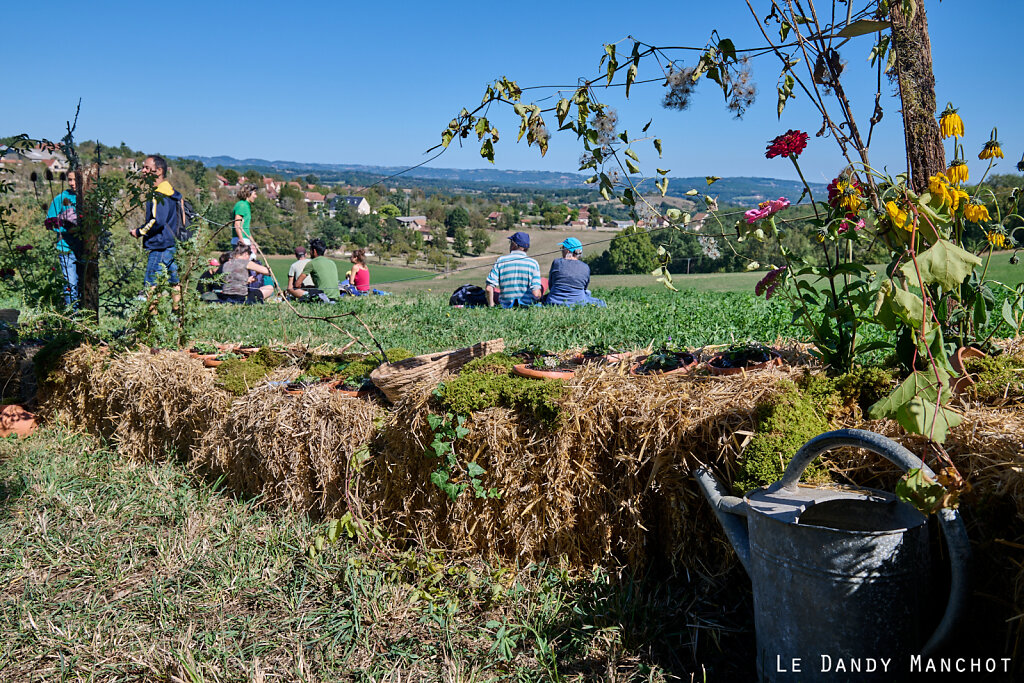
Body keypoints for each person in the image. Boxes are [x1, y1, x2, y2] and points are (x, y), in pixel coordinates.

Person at [130, 155, 181, 299]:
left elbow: (157, 221)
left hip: (159, 245)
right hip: (171, 243)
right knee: (175, 282)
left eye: (147, 167)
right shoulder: (171, 192)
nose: (143, 171)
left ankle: (150, 319)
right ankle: (179, 317)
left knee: (152, 283)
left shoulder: (159, 193)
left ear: (158, 171)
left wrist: (139, 232)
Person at [45, 170, 80, 308]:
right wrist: (66, 229)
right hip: (66, 248)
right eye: (70, 179)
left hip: (85, 248)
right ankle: (73, 316)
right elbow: (49, 222)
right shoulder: (60, 198)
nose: (72, 183)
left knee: (83, 284)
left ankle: (84, 316)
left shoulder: (87, 197)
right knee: (70, 284)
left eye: (75, 180)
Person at [485, 231, 541, 307]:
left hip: (505, 306)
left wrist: (491, 305)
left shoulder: (501, 260)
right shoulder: (533, 263)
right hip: (526, 306)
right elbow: (536, 293)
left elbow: (489, 288)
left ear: (514, 245)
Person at [544, 237, 605, 307]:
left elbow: (551, 285)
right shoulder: (585, 267)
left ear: (567, 251)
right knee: (593, 297)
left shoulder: (557, 263)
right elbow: (584, 287)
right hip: (578, 303)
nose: (561, 251)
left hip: (553, 301)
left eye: (562, 248)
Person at [232, 184, 258, 249]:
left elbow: (246, 229)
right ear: (249, 194)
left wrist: (253, 243)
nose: (256, 196)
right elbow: (237, 224)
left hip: (245, 239)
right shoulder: (242, 205)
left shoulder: (246, 205)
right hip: (241, 241)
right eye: (254, 194)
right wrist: (241, 241)